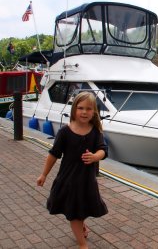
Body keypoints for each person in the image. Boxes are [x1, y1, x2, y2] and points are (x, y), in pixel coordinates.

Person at [37, 91, 108, 249]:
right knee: (75, 213)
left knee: (81, 207)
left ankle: (81, 226)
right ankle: (82, 244)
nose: (84, 112)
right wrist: (44, 174)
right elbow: (53, 155)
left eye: (89, 109)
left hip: (87, 181)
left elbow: (103, 150)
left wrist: (96, 157)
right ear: (74, 109)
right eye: (80, 107)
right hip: (69, 180)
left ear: (94, 111)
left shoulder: (96, 132)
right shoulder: (65, 132)